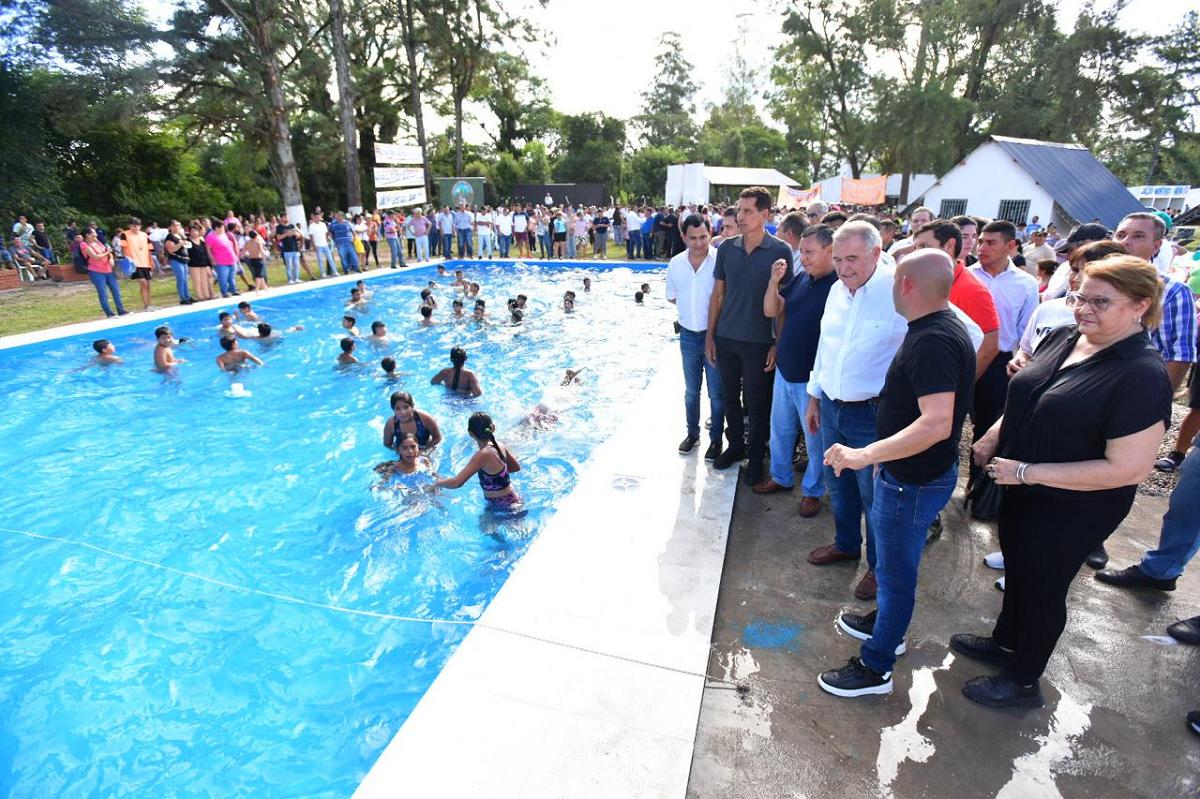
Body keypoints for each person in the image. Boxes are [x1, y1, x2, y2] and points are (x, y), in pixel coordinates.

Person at [954, 255, 1171, 708]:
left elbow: (1128, 468)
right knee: (1020, 568)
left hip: (1074, 504)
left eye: (1099, 301)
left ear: (1139, 306)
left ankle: (1023, 679)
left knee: (1043, 585)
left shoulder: (1141, 374)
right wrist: (993, 435)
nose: (1083, 308)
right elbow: (1029, 392)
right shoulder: (1068, 336)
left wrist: (1027, 473)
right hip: (1023, 487)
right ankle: (1006, 641)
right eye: (1078, 296)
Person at [816, 249, 976, 698]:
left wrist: (866, 454)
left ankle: (877, 665)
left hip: (913, 479)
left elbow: (936, 422)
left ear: (905, 285)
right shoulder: (935, 327)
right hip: (907, 472)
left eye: (893, 281)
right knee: (888, 563)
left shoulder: (933, 340)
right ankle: (884, 624)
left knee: (899, 572)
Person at [706, 187, 794, 486]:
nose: (740, 216)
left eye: (747, 211)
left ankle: (756, 458)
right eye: (738, 210)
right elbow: (717, 295)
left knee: (757, 403)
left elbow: (783, 303)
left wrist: (777, 343)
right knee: (729, 397)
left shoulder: (780, 251)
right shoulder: (727, 249)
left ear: (765, 214)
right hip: (727, 337)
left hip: (759, 343)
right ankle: (736, 446)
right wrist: (710, 336)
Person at [756, 223, 837, 518]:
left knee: (815, 441)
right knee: (781, 430)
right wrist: (773, 282)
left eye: (809, 252)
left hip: (813, 379)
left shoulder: (840, 288)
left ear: (830, 250)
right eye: (801, 251)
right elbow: (772, 310)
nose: (802, 257)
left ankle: (814, 491)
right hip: (786, 369)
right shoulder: (802, 278)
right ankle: (781, 477)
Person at [967, 220, 1039, 481]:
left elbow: (1027, 330)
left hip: (998, 363)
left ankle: (976, 486)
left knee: (987, 426)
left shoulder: (1025, 284)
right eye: (981, 241)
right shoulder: (967, 275)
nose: (982, 247)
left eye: (990, 242)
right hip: (963, 356)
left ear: (1010, 246)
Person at [667, 215, 726, 461]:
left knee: (716, 392)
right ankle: (692, 434)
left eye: (703, 237)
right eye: (693, 238)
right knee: (692, 391)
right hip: (689, 336)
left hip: (716, 336)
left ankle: (715, 440)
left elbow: (725, 296)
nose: (699, 243)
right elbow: (671, 296)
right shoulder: (675, 263)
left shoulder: (720, 260)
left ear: (710, 233)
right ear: (684, 237)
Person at [432, 411, 523, 510]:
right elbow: (515, 468)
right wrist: (497, 475)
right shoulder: (500, 445)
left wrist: (437, 483)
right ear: (493, 428)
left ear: (470, 433)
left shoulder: (482, 455)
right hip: (512, 499)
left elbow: (457, 483)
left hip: (500, 504)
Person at [81, 228, 126, 317]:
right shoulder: (84, 245)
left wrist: (111, 258)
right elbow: (95, 257)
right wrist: (108, 253)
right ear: (87, 235)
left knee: (116, 290)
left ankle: (121, 310)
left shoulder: (97, 242)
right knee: (103, 293)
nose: (96, 235)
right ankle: (109, 314)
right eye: (94, 233)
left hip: (108, 270)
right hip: (96, 271)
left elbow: (108, 250)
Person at [121, 217, 155, 311]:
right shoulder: (125, 234)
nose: (134, 228)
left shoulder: (144, 235)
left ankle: (150, 304)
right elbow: (123, 248)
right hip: (134, 263)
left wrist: (151, 261)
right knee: (143, 283)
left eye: (136, 226)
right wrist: (127, 261)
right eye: (131, 226)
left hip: (145, 261)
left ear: (140, 226)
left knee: (148, 284)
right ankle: (146, 305)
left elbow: (149, 249)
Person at [206, 221, 241, 298]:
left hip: (231, 259)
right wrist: (212, 259)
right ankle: (224, 292)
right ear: (217, 228)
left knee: (232, 277)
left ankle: (233, 290)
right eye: (222, 227)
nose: (224, 228)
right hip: (221, 261)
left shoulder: (224, 234)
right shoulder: (210, 237)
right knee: (223, 278)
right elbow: (208, 249)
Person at [162, 220, 193, 304]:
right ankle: (182, 298)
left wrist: (185, 243)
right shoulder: (169, 237)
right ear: (170, 227)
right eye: (175, 225)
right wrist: (180, 243)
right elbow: (171, 249)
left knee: (185, 279)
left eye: (178, 225)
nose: (177, 227)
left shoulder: (180, 235)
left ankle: (187, 296)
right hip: (175, 259)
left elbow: (186, 245)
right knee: (181, 279)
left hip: (183, 258)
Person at [310, 212, 337, 276]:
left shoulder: (323, 224)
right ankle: (323, 273)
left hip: (325, 244)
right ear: (313, 218)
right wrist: (313, 245)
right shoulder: (311, 226)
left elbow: (326, 233)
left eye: (318, 217)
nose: (317, 218)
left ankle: (335, 271)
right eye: (316, 217)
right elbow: (311, 236)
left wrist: (327, 241)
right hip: (318, 245)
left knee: (330, 258)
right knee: (320, 260)